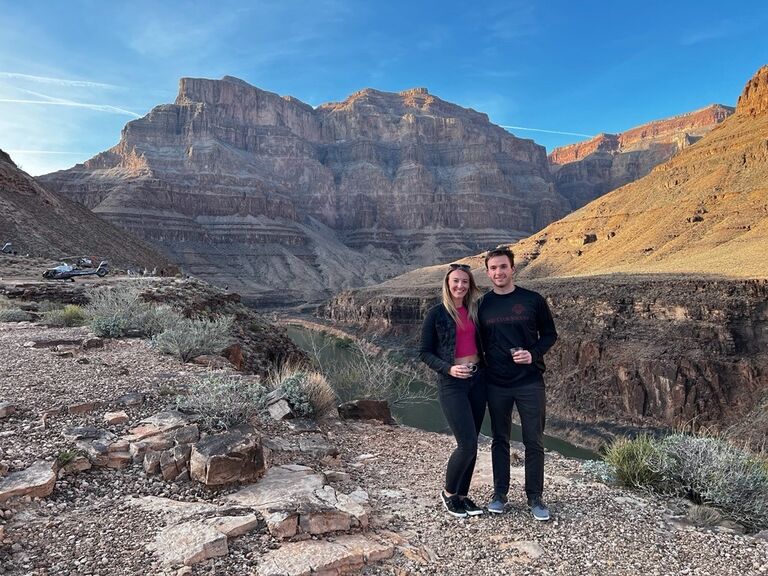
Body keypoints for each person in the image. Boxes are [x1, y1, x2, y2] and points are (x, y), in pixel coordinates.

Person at [478, 247, 557, 521]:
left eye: (503, 267)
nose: (499, 272)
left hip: (529, 382)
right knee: (500, 439)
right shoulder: (483, 305)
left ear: (513, 269)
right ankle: (499, 493)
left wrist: (533, 353)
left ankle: (535, 497)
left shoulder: (532, 300)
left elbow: (549, 334)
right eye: (493, 268)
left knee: (533, 440)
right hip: (496, 383)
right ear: (488, 273)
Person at [419, 262, 487, 518]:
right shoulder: (436, 314)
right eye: (455, 281)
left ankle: (463, 495)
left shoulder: (475, 311)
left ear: (470, 286)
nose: (460, 286)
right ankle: (449, 494)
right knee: (466, 443)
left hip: (478, 379)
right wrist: (448, 369)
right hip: (452, 383)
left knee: (474, 441)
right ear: (447, 284)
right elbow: (424, 353)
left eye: (465, 282)